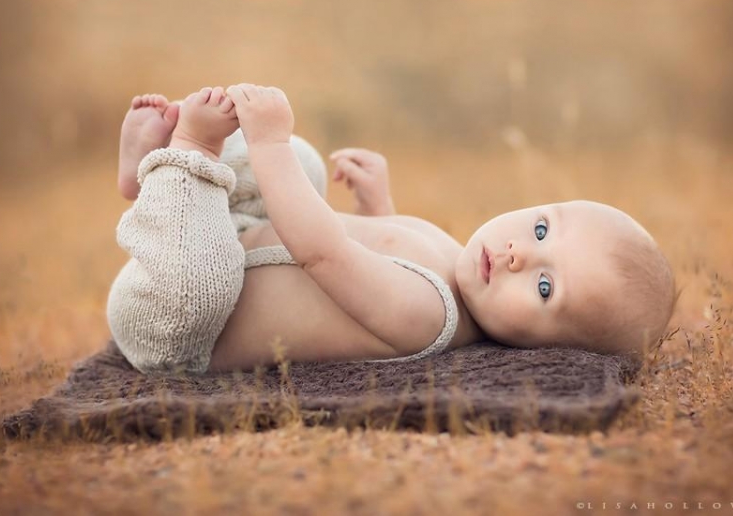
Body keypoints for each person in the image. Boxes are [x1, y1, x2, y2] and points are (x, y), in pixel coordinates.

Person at [107, 86, 676, 374]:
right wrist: (380, 206)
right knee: (305, 166)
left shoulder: (429, 316)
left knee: (283, 159)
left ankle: (186, 153)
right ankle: (148, 178)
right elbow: (380, 257)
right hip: (234, 234)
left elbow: (326, 255)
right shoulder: (457, 266)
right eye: (543, 230)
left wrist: (269, 141)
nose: (517, 257)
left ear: (544, 353)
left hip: (180, 323)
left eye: (546, 288)